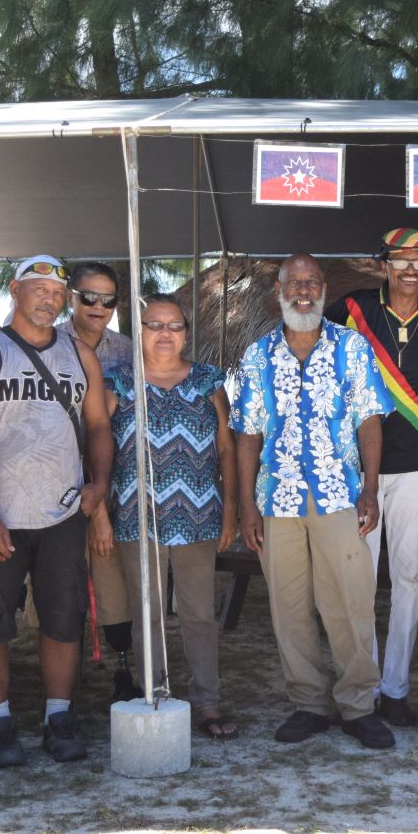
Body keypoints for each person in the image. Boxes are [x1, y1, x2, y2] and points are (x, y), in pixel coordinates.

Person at [232, 253, 395, 749]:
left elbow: (370, 419)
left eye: (311, 282)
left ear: (324, 289)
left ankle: (358, 706)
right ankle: (307, 703)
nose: (303, 290)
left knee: (350, 602)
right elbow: (246, 435)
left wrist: (369, 487)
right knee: (289, 606)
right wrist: (246, 507)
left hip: (340, 494)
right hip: (276, 499)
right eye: (293, 282)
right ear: (277, 291)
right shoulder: (257, 356)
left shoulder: (353, 348)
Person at [0, 255, 114, 766]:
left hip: (63, 510)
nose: (48, 298)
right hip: (2, 514)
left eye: (56, 291)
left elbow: (98, 426)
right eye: (38, 288)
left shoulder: (79, 354)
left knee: (63, 618)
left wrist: (99, 485)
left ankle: (58, 716)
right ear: (15, 290)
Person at [92, 294, 238, 737]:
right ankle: (154, 695)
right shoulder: (117, 383)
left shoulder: (209, 380)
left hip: (198, 516)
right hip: (137, 516)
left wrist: (230, 508)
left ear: (186, 333)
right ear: (141, 332)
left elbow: (227, 448)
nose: (165, 334)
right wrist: (98, 510)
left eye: (174, 325)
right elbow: (97, 445)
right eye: (155, 325)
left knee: (198, 613)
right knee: (148, 613)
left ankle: (207, 703)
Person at [326, 227, 418, 727]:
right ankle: (361, 684)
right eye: (399, 260)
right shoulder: (352, 309)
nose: (408, 269)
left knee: (409, 577)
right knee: (356, 579)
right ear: (383, 265)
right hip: (355, 470)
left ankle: (395, 687)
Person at [68, 261, 149, 701]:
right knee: (60, 588)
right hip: (57, 484)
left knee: (114, 578)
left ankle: (122, 666)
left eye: (108, 300)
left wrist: (101, 504)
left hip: (115, 486)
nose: (98, 307)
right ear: (70, 296)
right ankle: (59, 688)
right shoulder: (46, 344)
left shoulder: (128, 351)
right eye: (88, 297)